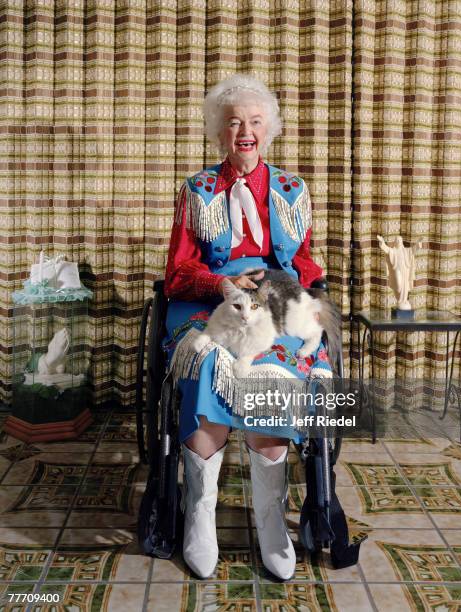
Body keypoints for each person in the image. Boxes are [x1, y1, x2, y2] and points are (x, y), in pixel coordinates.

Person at [163, 74, 332, 581]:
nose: (245, 131)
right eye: (234, 121)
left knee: (275, 368)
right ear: (220, 131)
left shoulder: (291, 189)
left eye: (255, 122)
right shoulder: (198, 190)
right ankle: (200, 517)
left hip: (273, 300)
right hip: (209, 300)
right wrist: (221, 283)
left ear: (269, 131)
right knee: (209, 363)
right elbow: (177, 272)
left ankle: (270, 522)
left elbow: (303, 261)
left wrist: (293, 288)